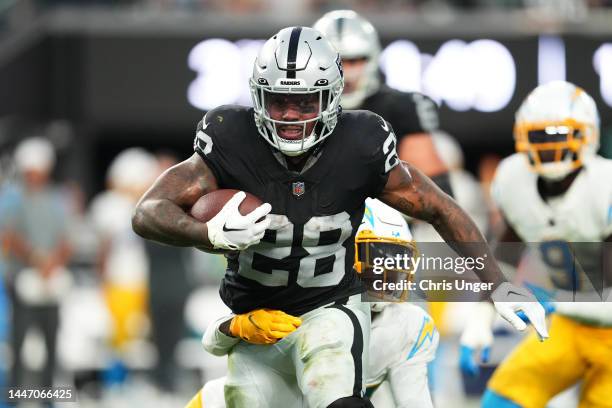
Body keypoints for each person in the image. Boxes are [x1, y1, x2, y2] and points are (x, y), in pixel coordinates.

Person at [132, 26, 547, 408]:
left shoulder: (361, 142)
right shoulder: (229, 135)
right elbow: (148, 211)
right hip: (254, 321)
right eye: (278, 100)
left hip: (329, 307)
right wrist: (205, 232)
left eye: (303, 101)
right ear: (258, 96)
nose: (290, 115)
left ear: (331, 96)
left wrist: (498, 285)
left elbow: (439, 206)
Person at [186, 198, 440, 408]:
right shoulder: (307, 298)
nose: (386, 269)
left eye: (395, 258)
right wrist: (238, 326)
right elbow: (212, 341)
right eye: (375, 256)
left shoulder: (408, 324)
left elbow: (415, 402)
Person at [458, 81, 612, 408]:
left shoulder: (605, 186)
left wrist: (557, 302)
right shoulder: (515, 180)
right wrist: (482, 317)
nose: (549, 146)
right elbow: (504, 258)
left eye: (560, 134)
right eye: (540, 135)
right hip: (570, 326)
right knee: (503, 400)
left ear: (588, 135)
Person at [313, 10, 454, 197]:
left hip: (381, 219)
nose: (344, 72)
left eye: (353, 61)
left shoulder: (400, 107)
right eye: (335, 62)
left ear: (372, 58)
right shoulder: (295, 108)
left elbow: (435, 191)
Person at [1, 137, 72, 389]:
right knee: (18, 342)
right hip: (21, 281)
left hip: (50, 283)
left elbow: (66, 239)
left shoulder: (58, 200)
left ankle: (48, 397)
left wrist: (51, 264)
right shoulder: (12, 199)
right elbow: (8, 235)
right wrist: (34, 257)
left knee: (51, 342)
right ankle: (14, 396)